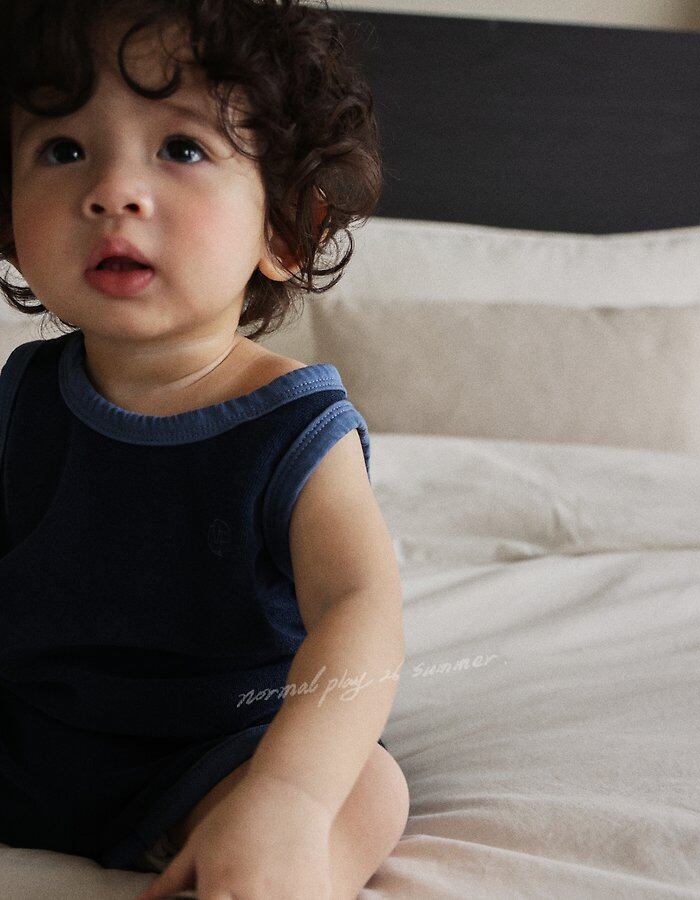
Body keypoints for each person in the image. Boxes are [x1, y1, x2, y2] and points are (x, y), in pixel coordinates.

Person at [0, 2, 410, 898]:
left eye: (181, 148)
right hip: (29, 734)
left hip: (217, 749)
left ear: (285, 230)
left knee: (368, 790)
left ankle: (256, 870)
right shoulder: (22, 395)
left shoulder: (294, 426)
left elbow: (360, 604)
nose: (111, 191)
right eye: (63, 149)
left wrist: (291, 793)